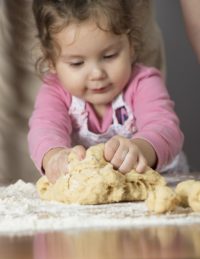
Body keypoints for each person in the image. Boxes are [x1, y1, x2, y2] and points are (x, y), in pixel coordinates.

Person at [28, 0, 186, 184]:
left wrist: (140, 149)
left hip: (161, 182)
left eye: (109, 56)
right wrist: (54, 157)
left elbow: (166, 129)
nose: (97, 74)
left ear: (131, 46)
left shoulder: (143, 82)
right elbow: (44, 130)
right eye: (77, 63)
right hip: (99, 190)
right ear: (50, 62)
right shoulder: (55, 92)